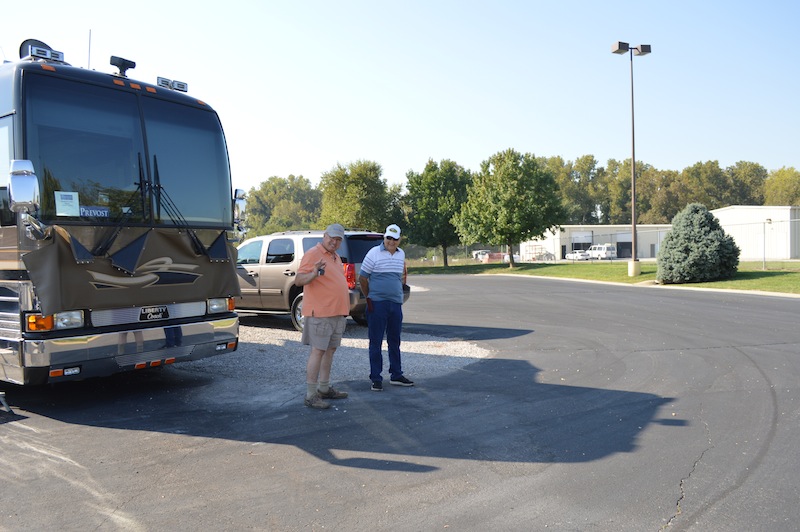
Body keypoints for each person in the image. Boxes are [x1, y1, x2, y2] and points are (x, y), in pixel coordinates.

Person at [295, 223, 350, 409]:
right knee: (318, 350)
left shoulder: (335, 257)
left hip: (336, 312)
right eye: (331, 238)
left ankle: (324, 388)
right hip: (320, 312)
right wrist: (312, 273)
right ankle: (311, 395)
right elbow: (298, 280)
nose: (334, 242)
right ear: (324, 235)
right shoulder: (313, 254)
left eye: (338, 240)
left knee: (330, 350)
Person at [359, 223, 413, 391]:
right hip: (377, 304)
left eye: (395, 239)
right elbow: (362, 278)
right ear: (384, 237)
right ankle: (376, 378)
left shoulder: (401, 254)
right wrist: (370, 297)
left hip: (395, 304)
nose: (391, 241)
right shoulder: (373, 253)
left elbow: (399, 278)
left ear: (399, 240)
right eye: (389, 237)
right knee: (375, 342)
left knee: (394, 340)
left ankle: (396, 375)